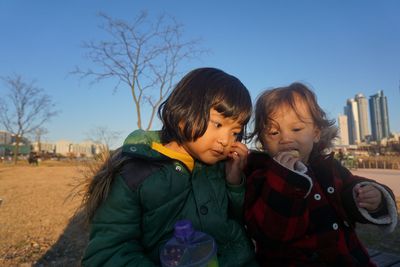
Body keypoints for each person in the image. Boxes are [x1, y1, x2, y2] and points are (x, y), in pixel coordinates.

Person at [81, 67, 258, 266]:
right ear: (184, 112)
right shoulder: (135, 172)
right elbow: (107, 254)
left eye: (235, 132)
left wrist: (234, 183)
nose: (226, 140)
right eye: (218, 124)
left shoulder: (220, 166)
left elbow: (239, 222)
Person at [244, 82, 398, 267]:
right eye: (274, 132)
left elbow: (350, 189)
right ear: (262, 141)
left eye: (296, 129)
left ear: (316, 133)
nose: (285, 139)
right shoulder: (261, 176)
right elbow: (269, 232)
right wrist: (284, 180)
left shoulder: (329, 168)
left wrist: (374, 198)